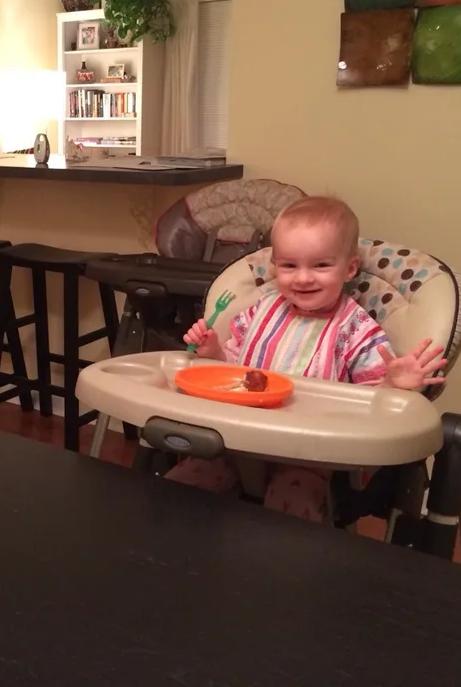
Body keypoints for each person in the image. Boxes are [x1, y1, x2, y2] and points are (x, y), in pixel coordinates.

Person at [170, 196, 446, 522]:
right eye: (289, 266)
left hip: (307, 456)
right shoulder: (261, 311)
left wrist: (393, 383)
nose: (302, 278)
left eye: (320, 265)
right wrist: (212, 352)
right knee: (180, 488)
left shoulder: (355, 329)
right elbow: (232, 369)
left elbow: (374, 405)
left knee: (293, 503)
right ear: (275, 266)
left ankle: (288, 568)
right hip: (233, 441)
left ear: (350, 268)